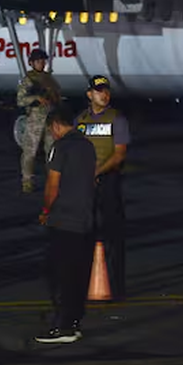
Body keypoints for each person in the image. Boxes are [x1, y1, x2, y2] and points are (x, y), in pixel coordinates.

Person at [35, 107, 97, 344]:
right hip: (85, 219)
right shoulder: (88, 146)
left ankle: (62, 327)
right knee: (79, 275)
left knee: (59, 275)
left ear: (55, 125)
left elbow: (52, 185)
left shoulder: (60, 147)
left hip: (63, 220)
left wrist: (45, 211)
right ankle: (73, 322)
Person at [76, 75, 130, 301]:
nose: (104, 94)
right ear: (90, 94)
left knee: (113, 233)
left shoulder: (116, 119)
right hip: (86, 182)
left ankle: (117, 286)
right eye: (99, 91)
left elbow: (119, 154)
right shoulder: (81, 120)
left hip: (108, 180)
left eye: (106, 90)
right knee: (83, 233)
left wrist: (96, 172)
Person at [16, 48, 61, 194]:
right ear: (31, 63)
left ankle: (53, 179)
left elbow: (57, 94)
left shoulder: (48, 79)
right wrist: (36, 98)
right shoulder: (28, 80)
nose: (41, 63)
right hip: (35, 118)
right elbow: (20, 100)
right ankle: (27, 181)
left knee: (52, 152)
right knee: (30, 152)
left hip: (50, 118)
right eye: (38, 61)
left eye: (42, 61)